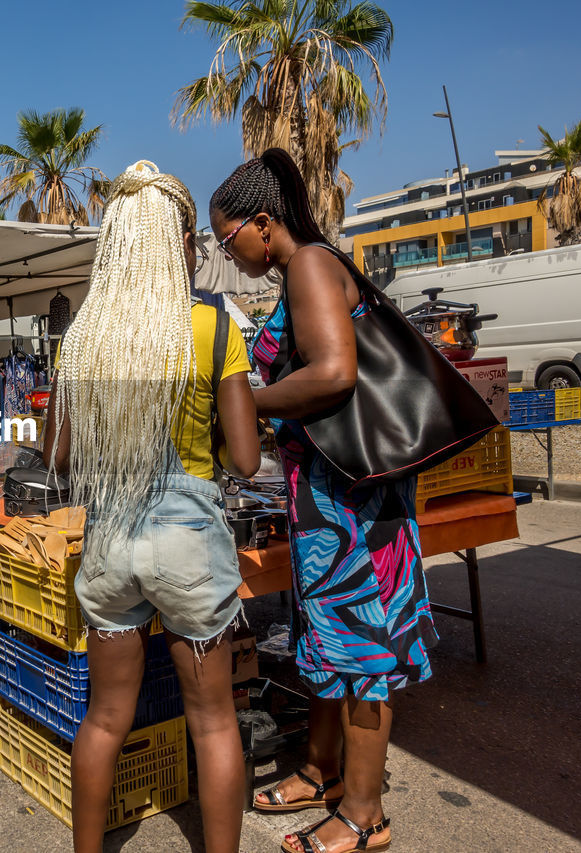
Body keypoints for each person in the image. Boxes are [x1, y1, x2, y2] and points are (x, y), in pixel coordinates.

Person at [210, 149, 437, 853]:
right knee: (331, 643)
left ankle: (365, 815)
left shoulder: (309, 263)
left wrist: (241, 400)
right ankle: (322, 770)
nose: (228, 252)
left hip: (355, 506)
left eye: (228, 239)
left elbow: (335, 373)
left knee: (362, 649)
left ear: (262, 222)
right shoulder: (304, 269)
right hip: (333, 504)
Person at [42, 161, 261, 853]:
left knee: (105, 719)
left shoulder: (85, 336)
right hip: (190, 542)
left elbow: (60, 456)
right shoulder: (212, 324)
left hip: (111, 540)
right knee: (214, 723)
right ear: (180, 239)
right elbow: (249, 460)